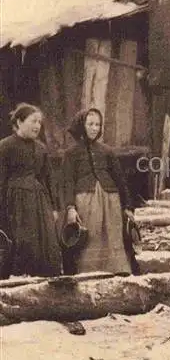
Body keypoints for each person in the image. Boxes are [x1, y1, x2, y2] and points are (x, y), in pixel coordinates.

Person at [62, 108, 136, 275]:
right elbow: (67, 182)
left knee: (112, 235)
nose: (94, 128)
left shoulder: (107, 151)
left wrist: (128, 206)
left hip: (110, 200)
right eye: (90, 124)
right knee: (91, 236)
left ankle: (116, 271)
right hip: (85, 201)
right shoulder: (71, 154)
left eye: (97, 124)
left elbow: (120, 180)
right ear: (81, 125)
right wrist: (70, 208)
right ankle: (90, 273)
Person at [0, 103, 62, 278]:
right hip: (15, 202)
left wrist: (54, 207)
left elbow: (48, 178)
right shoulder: (5, 146)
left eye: (40, 122)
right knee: (22, 242)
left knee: (47, 242)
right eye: (33, 121)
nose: (37, 126)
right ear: (19, 122)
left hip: (39, 202)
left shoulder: (41, 148)